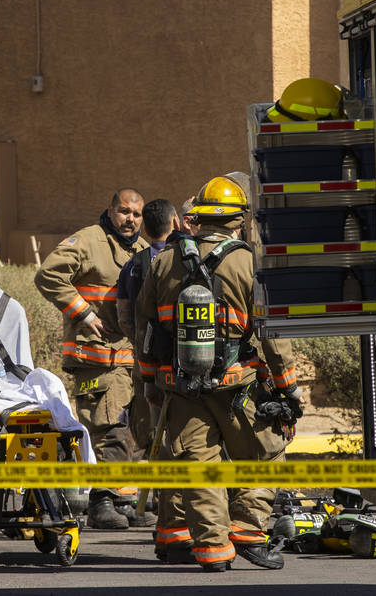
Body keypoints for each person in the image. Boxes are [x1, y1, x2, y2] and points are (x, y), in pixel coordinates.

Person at [135, 176, 301, 571]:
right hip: (236, 386)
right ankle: (245, 531)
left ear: (199, 219)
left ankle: (213, 552)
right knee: (265, 453)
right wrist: (287, 389)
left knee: (200, 466)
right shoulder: (249, 263)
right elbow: (273, 335)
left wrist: (149, 382)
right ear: (237, 221)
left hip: (179, 388)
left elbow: (145, 328)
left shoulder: (164, 261)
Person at [34, 188, 149, 529]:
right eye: (124, 212)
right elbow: (48, 275)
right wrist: (82, 312)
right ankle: (101, 502)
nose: (130, 219)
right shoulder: (87, 241)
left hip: (130, 360)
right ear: (111, 211)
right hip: (95, 357)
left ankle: (123, 500)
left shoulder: (142, 251)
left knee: (134, 432)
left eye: (137, 214)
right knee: (108, 430)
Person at [115, 199, 181, 470]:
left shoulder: (132, 266)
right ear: (175, 222)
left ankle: (158, 500)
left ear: (145, 230)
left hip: (148, 367)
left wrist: (142, 343)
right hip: (185, 362)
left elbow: (125, 318)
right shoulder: (184, 259)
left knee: (155, 434)